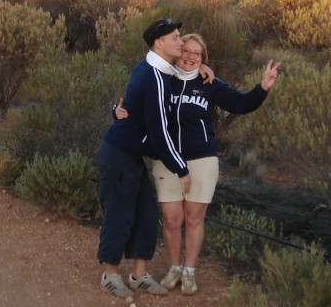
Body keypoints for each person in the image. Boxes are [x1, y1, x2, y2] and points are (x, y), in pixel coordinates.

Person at [118, 33, 280, 295]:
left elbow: (240, 103)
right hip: (167, 159)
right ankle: (174, 267)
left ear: (204, 58)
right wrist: (117, 109)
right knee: (171, 219)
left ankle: (190, 272)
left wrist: (262, 87)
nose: (191, 56)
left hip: (202, 160)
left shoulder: (210, 83)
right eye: (187, 51)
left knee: (194, 218)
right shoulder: (162, 79)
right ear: (177, 52)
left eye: (198, 53)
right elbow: (135, 100)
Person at [96, 18, 191, 298]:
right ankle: (109, 274)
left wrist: (203, 68)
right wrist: (181, 168)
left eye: (181, 37)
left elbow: (137, 104)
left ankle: (139, 275)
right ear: (159, 43)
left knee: (147, 214)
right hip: (118, 154)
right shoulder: (153, 76)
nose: (181, 42)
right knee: (120, 213)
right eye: (175, 38)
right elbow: (159, 132)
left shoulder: (154, 69)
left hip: (131, 155)